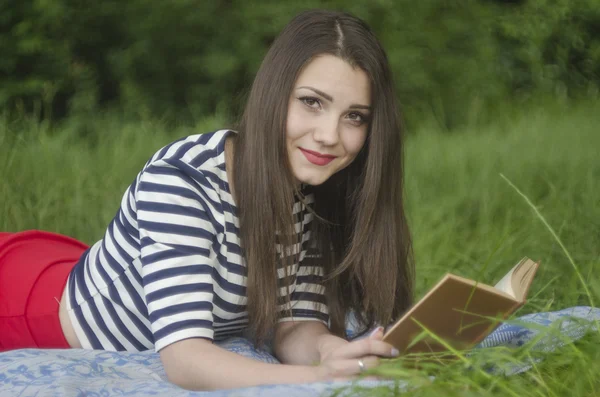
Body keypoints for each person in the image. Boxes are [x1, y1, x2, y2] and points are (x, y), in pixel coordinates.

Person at [0, 9, 413, 391]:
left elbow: (295, 323)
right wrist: (318, 378)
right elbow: (186, 361)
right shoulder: (183, 181)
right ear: (273, 93)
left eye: (354, 116)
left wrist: (329, 351)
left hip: (91, 270)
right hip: (28, 313)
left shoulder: (311, 189)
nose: (329, 135)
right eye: (311, 102)